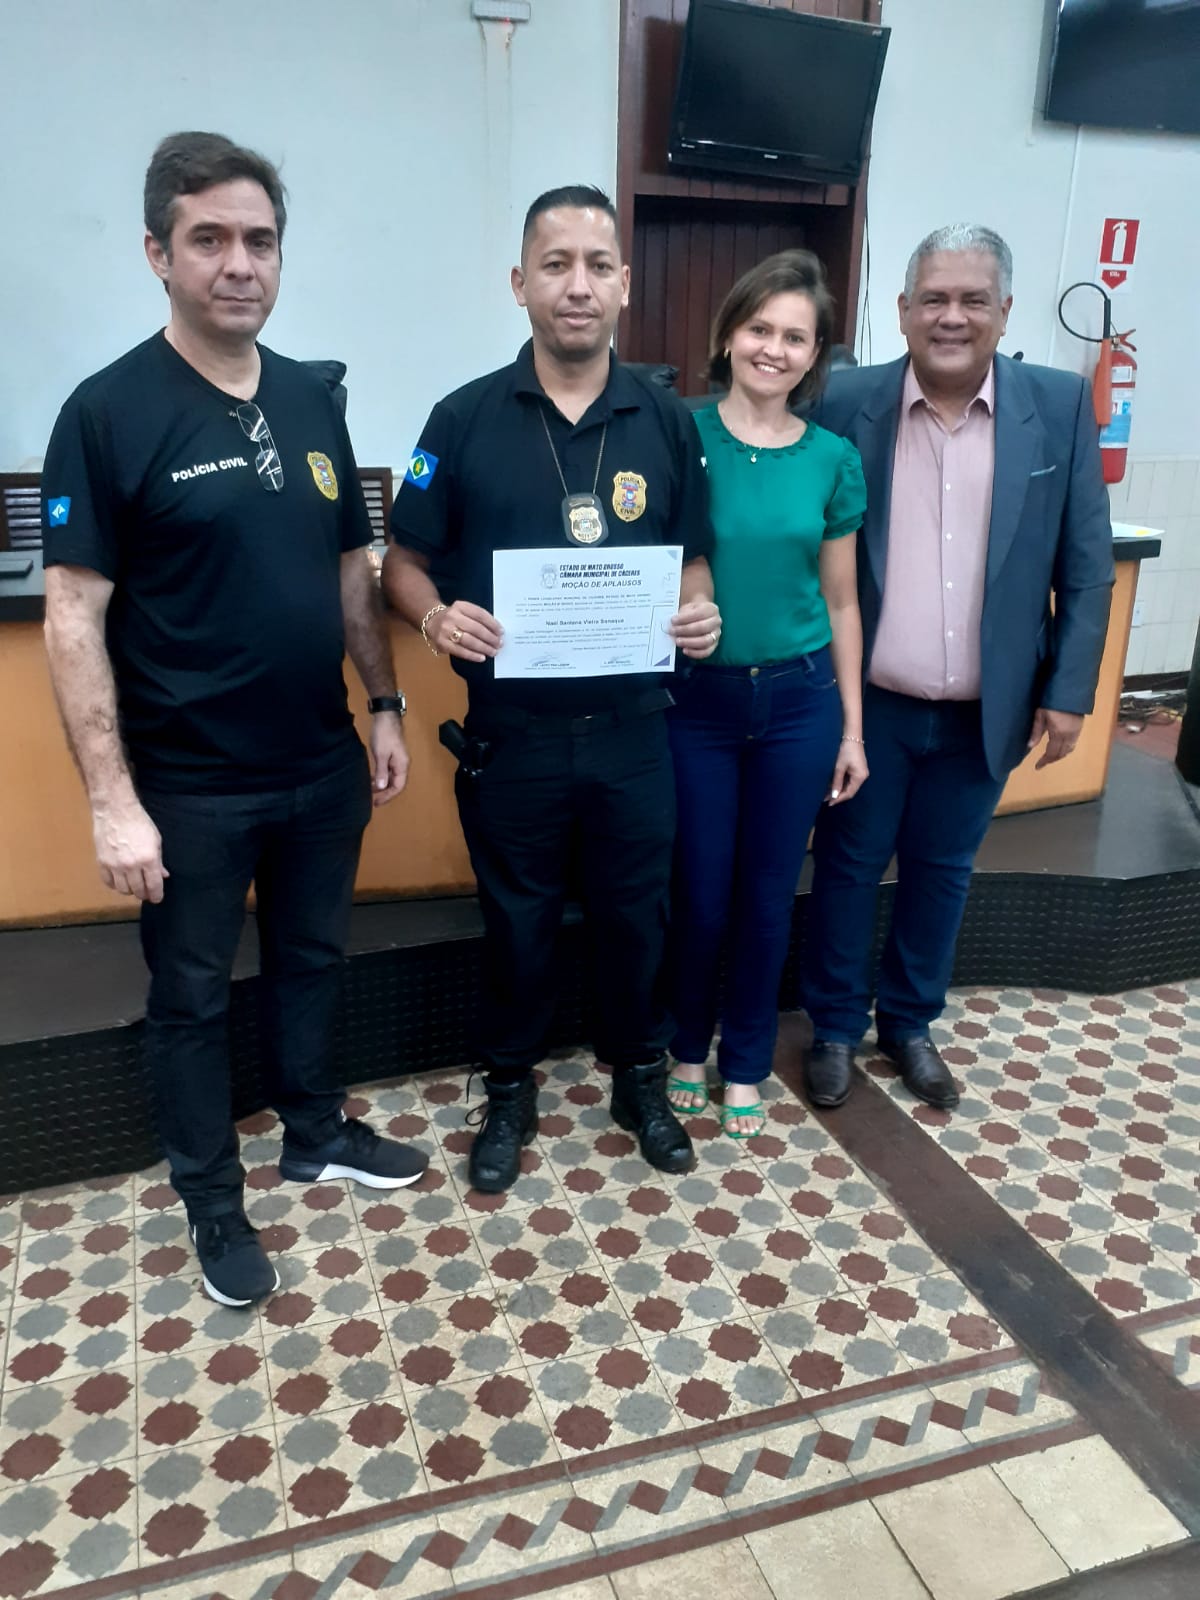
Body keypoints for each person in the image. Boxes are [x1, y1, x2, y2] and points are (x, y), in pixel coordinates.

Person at [41, 132, 427, 1309]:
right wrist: (113, 802)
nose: (239, 263)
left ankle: (314, 1131)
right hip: (190, 788)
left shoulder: (311, 396)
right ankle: (213, 1197)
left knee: (313, 960)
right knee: (191, 1000)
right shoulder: (107, 413)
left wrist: (385, 703)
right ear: (158, 254)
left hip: (319, 762)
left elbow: (352, 572)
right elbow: (72, 617)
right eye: (208, 239)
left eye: (259, 239)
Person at [384, 185, 721, 1194]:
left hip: (633, 731)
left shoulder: (666, 420)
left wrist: (700, 610)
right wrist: (435, 619)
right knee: (516, 926)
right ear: (519, 282)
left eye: (598, 265)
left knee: (637, 919)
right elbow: (404, 561)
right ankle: (508, 1089)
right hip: (513, 734)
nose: (578, 285)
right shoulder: (462, 417)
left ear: (625, 284)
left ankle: (640, 1082)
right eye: (557, 264)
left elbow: (692, 559)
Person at [801, 224, 1114, 1111]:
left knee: (943, 870)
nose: (952, 316)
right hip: (870, 706)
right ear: (902, 310)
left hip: (988, 706)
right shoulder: (842, 402)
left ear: (1005, 312)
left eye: (973, 299)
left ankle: (909, 1023)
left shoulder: (1057, 406)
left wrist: (1068, 692)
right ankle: (834, 1026)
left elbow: (1085, 565)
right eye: (934, 298)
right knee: (849, 867)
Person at [664, 251, 868, 1138]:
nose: (773, 350)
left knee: (766, 895)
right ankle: (685, 1046)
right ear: (727, 335)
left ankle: (745, 1059)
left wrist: (852, 730)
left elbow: (842, 600)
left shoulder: (834, 459)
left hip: (799, 704)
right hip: (695, 705)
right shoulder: (677, 434)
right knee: (700, 893)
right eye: (759, 329)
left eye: (794, 337)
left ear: (815, 354)